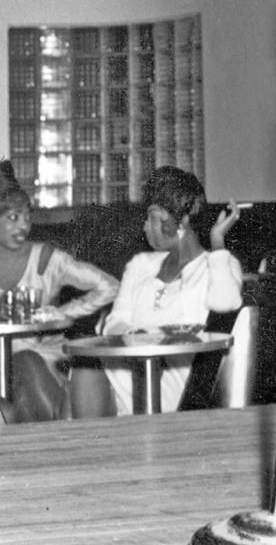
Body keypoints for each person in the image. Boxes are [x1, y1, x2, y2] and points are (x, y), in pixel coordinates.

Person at [73, 166, 244, 416]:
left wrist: (217, 241)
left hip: (175, 384)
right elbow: (114, 322)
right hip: (125, 372)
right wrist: (139, 338)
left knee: (77, 381)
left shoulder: (219, 265)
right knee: (46, 366)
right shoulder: (141, 264)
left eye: (153, 217)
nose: (144, 226)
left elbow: (226, 302)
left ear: (181, 222)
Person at [0, 160, 118, 423]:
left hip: (40, 358)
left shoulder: (47, 259)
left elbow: (109, 286)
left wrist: (61, 312)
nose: (23, 227)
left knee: (25, 363)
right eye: (13, 218)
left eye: (27, 218)